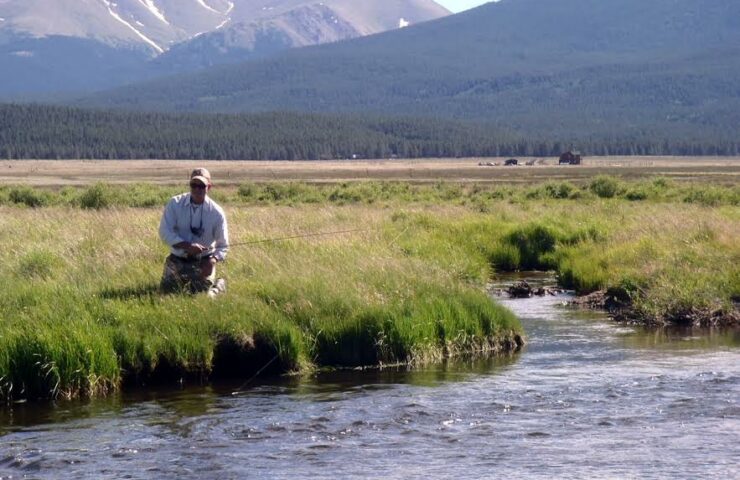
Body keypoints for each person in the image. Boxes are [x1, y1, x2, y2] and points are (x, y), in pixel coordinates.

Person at [159, 168, 229, 296]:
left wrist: (212, 261)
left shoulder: (217, 213)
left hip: (204, 261)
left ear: (209, 187)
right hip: (178, 258)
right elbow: (164, 232)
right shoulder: (175, 204)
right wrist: (187, 246)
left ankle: (219, 284)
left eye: (201, 186)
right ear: (190, 185)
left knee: (202, 295)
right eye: (194, 185)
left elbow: (223, 246)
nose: (197, 189)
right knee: (167, 292)